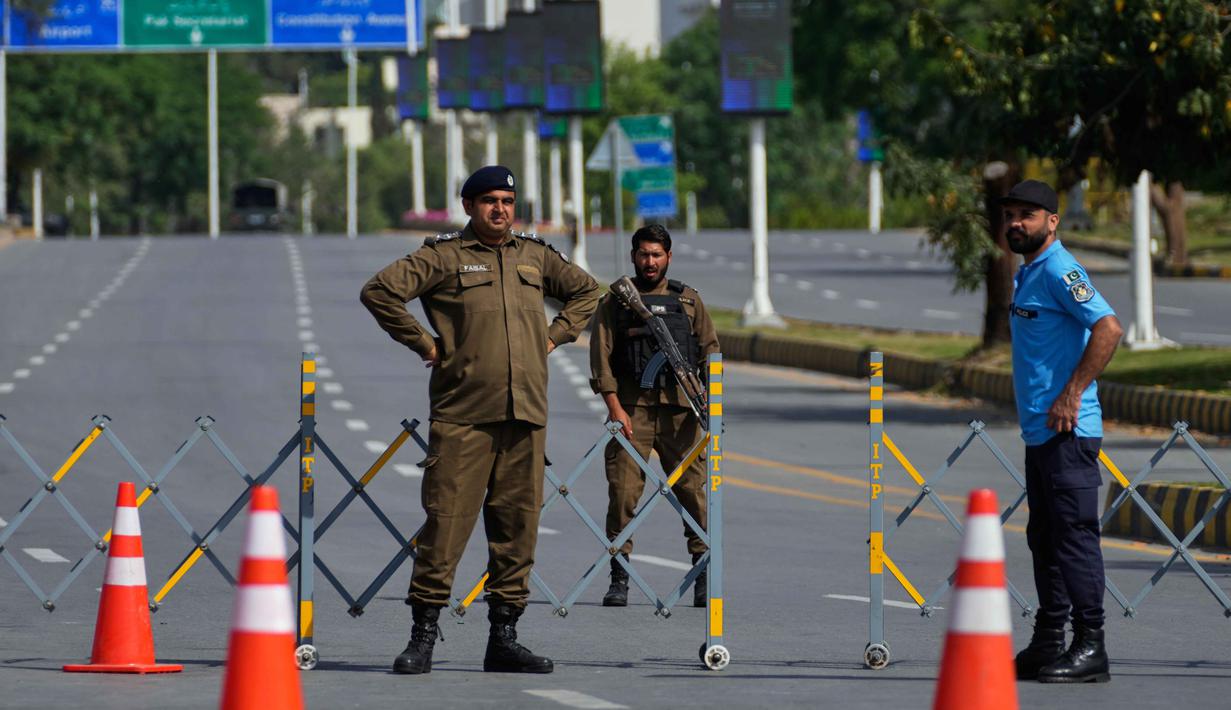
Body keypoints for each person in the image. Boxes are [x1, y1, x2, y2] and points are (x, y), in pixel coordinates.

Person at [360, 165, 601, 675]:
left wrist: (554, 336)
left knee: (517, 530)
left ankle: (504, 638)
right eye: (489, 200)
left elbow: (587, 292)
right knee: (445, 527)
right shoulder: (444, 256)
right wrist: (425, 343)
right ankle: (423, 636)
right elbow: (380, 291)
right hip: (462, 416)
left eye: (507, 201)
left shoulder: (534, 255)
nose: (500, 209)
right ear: (468, 206)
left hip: (526, 415)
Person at [1002, 180, 1123, 684]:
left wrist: (1073, 392)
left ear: (1052, 220)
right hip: (1041, 434)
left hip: (1069, 432)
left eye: (1028, 214)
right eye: (1010, 213)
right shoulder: (1028, 271)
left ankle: (1091, 646)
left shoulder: (1059, 269)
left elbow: (1109, 328)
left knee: (1074, 539)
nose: (1016, 222)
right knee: (1044, 539)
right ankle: (1049, 638)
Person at [589, 224, 720, 608]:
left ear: (669, 257)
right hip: (633, 411)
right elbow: (601, 357)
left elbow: (711, 353)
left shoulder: (690, 302)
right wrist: (615, 409)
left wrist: (709, 399)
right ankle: (619, 575)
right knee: (624, 492)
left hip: (681, 413)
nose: (650, 262)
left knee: (693, 493)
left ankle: (703, 570)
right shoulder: (617, 302)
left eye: (657, 255)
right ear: (633, 257)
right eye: (643, 254)